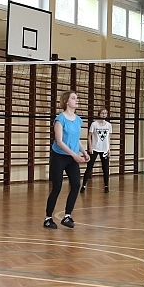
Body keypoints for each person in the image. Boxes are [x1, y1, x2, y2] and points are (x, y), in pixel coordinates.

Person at [44, 90, 89, 229]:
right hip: (59, 156)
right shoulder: (60, 119)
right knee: (57, 187)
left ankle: (67, 216)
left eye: (77, 98)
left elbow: (76, 139)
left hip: (72, 157)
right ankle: (48, 218)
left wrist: (84, 152)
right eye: (73, 98)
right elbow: (59, 142)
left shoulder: (78, 120)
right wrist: (74, 155)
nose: (77, 100)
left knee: (76, 185)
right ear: (66, 101)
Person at [81, 107, 112, 194]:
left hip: (104, 149)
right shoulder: (94, 124)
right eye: (102, 113)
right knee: (89, 167)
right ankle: (83, 186)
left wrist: (109, 149)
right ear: (99, 114)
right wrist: (90, 147)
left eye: (105, 113)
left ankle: (106, 186)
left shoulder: (109, 125)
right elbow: (89, 136)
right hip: (95, 148)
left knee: (105, 168)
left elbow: (109, 138)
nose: (104, 115)